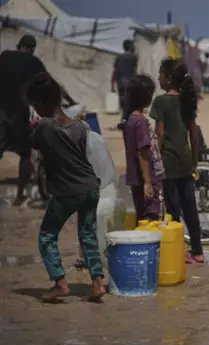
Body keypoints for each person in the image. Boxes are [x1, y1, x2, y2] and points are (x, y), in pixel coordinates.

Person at [26, 73, 104, 303]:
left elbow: (32, 148)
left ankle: (60, 283)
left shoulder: (43, 128)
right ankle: (97, 282)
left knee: (47, 236)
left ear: (39, 104)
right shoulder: (80, 126)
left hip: (67, 192)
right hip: (91, 187)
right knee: (88, 234)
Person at [151, 59, 204, 264]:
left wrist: (155, 159)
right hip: (185, 160)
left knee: (173, 210)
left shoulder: (161, 102)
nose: (158, 78)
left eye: (160, 75)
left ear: (168, 79)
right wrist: (194, 162)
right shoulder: (187, 99)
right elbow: (194, 133)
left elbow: (160, 135)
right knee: (190, 207)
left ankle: (179, 250)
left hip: (169, 162)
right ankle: (198, 251)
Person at [0, 34, 47, 206]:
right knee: (26, 155)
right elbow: (49, 84)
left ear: (18, 45)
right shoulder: (33, 62)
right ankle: (19, 196)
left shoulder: (4, 56)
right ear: (32, 49)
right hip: (17, 113)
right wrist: (70, 102)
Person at [123, 75, 165, 222]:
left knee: (143, 218)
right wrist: (148, 181)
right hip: (148, 178)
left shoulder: (130, 120)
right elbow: (143, 152)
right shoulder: (140, 121)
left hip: (137, 179)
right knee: (153, 219)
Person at [113, 40, 138, 130]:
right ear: (130, 46)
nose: (134, 47)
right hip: (130, 84)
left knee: (123, 103)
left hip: (120, 84)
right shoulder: (133, 57)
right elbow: (134, 72)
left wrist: (112, 85)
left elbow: (115, 72)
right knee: (130, 103)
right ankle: (126, 122)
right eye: (133, 45)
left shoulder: (119, 57)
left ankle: (124, 121)